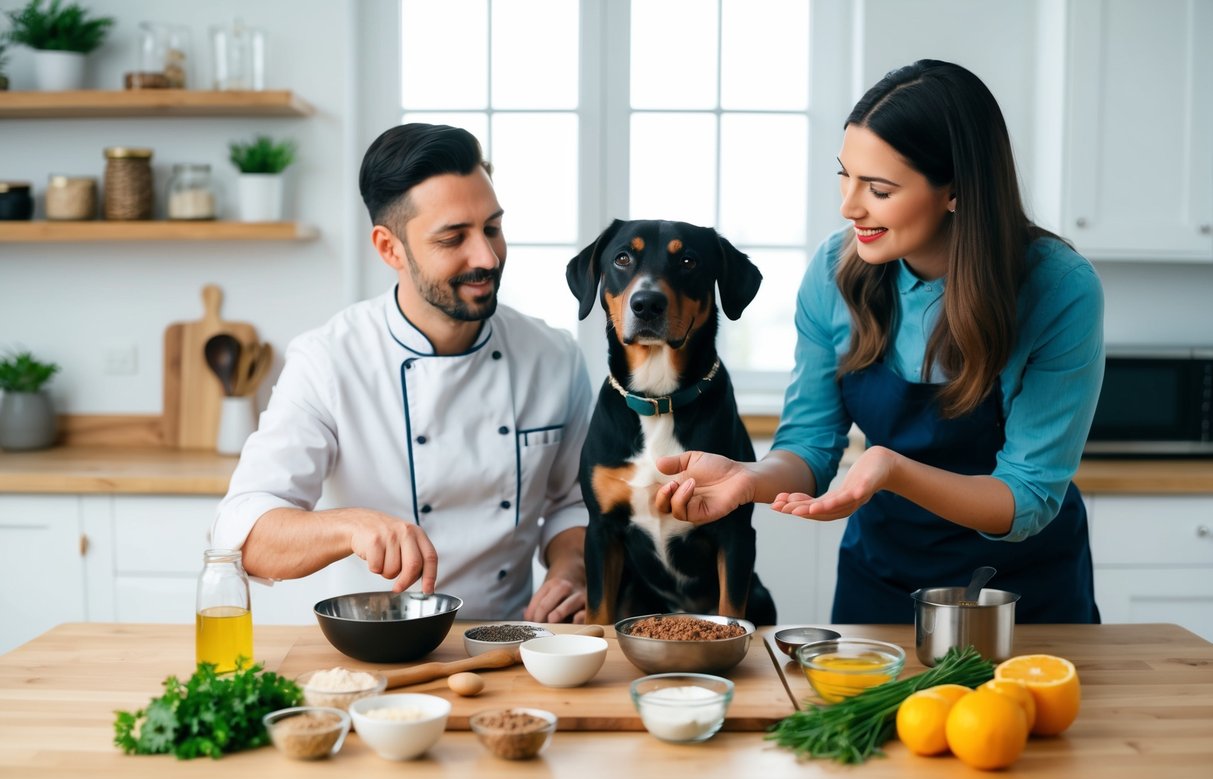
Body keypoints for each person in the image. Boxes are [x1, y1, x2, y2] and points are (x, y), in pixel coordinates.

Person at [655, 59, 1104, 625]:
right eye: (846, 175)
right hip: (885, 583)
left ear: (957, 191)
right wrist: (751, 479)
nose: (849, 205)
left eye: (880, 188)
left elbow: (1029, 496)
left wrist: (892, 469)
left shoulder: (1058, 289)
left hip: (1021, 591)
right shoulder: (831, 273)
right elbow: (810, 448)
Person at [211, 123, 592, 623]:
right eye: (453, 237)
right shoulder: (328, 361)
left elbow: (575, 504)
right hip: (375, 643)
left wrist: (572, 571)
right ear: (390, 248)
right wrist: (349, 527)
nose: (487, 256)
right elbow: (243, 534)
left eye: (493, 228)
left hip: (512, 639)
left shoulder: (553, 356)